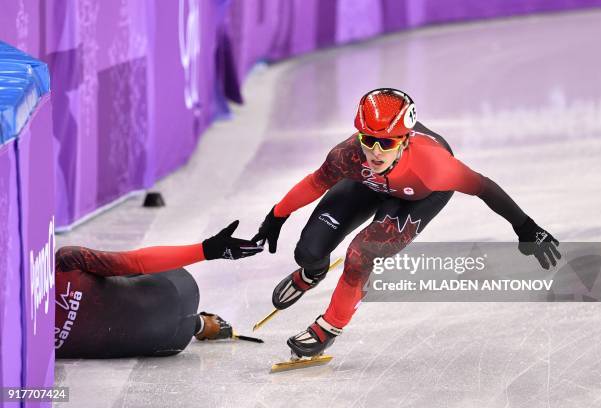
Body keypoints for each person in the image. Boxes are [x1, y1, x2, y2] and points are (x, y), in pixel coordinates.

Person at [252, 88, 561, 358]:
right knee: (307, 251)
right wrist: (276, 216)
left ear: (404, 140)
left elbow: (484, 187)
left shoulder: (435, 166)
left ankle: (331, 325)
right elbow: (314, 183)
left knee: (361, 255)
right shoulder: (349, 155)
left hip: (419, 195)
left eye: (386, 144)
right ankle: (313, 271)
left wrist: (525, 227)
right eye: (368, 140)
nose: (375, 151)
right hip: (368, 184)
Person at [55, 220, 261, 358]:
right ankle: (203, 324)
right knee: (118, 272)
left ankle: (199, 325)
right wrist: (208, 250)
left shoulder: (30, 346)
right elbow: (137, 261)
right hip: (177, 291)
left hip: (167, 344)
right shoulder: (65, 262)